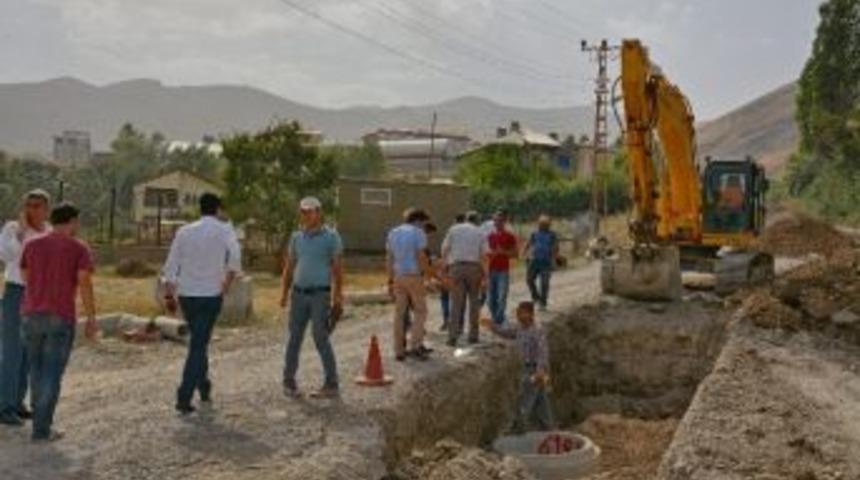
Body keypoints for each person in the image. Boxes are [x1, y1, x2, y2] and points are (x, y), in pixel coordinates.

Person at [19, 202, 98, 441]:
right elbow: (84, 282)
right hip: (60, 316)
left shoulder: (31, 244)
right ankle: (42, 429)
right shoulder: (78, 248)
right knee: (52, 373)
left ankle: (38, 425)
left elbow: (25, 276)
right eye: (77, 221)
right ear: (72, 221)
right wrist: (91, 317)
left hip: (31, 315)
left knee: (36, 370)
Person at [163, 193, 242, 415]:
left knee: (199, 341)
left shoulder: (184, 231)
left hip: (187, 295)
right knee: (198, 344)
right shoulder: (225, 229)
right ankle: (183, 397)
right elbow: (235, 256)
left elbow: (171, 265)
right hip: (211, 294)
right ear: (218, 209)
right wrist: (227, 282)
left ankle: (204, 387)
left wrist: (169, 294)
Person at [280, 197, 344, 398]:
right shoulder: (296, 238)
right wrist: (283, 293)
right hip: (298, 295)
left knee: (320, 337)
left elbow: (337, 269)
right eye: (303, 211)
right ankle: (289, 382)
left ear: (319, 212)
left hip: (320, 295)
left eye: (310, 211)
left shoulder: (331, 237)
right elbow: (289, 267)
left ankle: (331, 384)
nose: (306, 215)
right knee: (294, 339)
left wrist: (337, 297)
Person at [0, 189, 51, 427]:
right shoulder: (12, 228)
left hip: (39, 296)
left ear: (46, 209)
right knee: (11, 351)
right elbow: (6, 255)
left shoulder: (49, 232)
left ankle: (18, 403)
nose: (32, 209)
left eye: (37, 205)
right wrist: (20, 233)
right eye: (29, 204)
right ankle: (4, 406)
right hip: (16, 292)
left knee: (28, 353)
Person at [482, 301, 554, 433]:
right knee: (541, 402)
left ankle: (518, 429)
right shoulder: (520, 328)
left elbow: (542, 352)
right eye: (518, 313)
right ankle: (548, 428)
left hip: (534, 371)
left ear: (530, 314)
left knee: (525, 401)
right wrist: (492, 326)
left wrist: (540, 372)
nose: (518, 316)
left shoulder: (537, 331)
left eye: (521, 313)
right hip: (526, 368)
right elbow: (506, 333)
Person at [387, 208, 433, 361]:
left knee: (399, 314)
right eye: (423, 222)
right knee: (421, 311)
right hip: (414, 276)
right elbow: (421, 256)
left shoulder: (393, 232)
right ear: (418, 220)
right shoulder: (418, 233)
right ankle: (416, 346)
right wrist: (428, 275)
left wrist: (390, 279)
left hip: (398, 277)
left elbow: (389, 258)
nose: (424, 226)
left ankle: (399, 350)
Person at [442, 211, 488, 346]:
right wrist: (486, 276)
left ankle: (452, 337)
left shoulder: (454, 229)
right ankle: (473, 336)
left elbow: (444, 249)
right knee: (474, 303)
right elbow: (484, 255)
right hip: (474, 268)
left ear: (466, 219)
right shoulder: (480, 232)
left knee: (456, 303)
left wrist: (445, 267)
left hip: (456, 267)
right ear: (477, 221)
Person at [487, 210, 518, 326]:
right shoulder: (490, 236)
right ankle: (496, 317)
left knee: (502, 295)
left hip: (503, 270)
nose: (497, 223)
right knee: (490, 299)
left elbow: (515, 254)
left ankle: (498, 320)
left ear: (505, 221)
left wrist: (502, 252)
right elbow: (485, 253)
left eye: (500, 221)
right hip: (490, 269)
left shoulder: (510, 236)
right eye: (495, 220)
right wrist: (491, 254)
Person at [523, 215, 559, 312]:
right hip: (534, 260)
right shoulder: (534, 233)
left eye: (545, 224)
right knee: (529, 279)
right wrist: (524, 252)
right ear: (538, 224)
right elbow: (528, 243)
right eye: (541, 224)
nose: (542, 226)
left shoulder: (552, 235)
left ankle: (543, 303)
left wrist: (554, 260)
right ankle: (536, 297)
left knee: (544, 283)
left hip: (546, 262)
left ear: (548, 225)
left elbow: (555, 248)